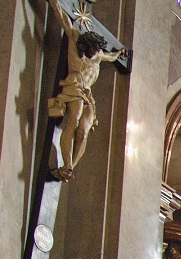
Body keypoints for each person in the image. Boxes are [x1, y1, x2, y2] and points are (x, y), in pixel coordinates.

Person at [44, 0, 126, 180]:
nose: (94, 52)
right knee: (73, 120)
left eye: (96, 50)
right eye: (91, 49)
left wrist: (121, 54)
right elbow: (62, 16)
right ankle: (67, 164)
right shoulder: (74, 39)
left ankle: (70, 168)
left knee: (83, 131)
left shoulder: (97, 55)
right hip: (74, 85)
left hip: (88, 93)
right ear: (85, 45)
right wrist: (54, 3)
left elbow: (112, 56)